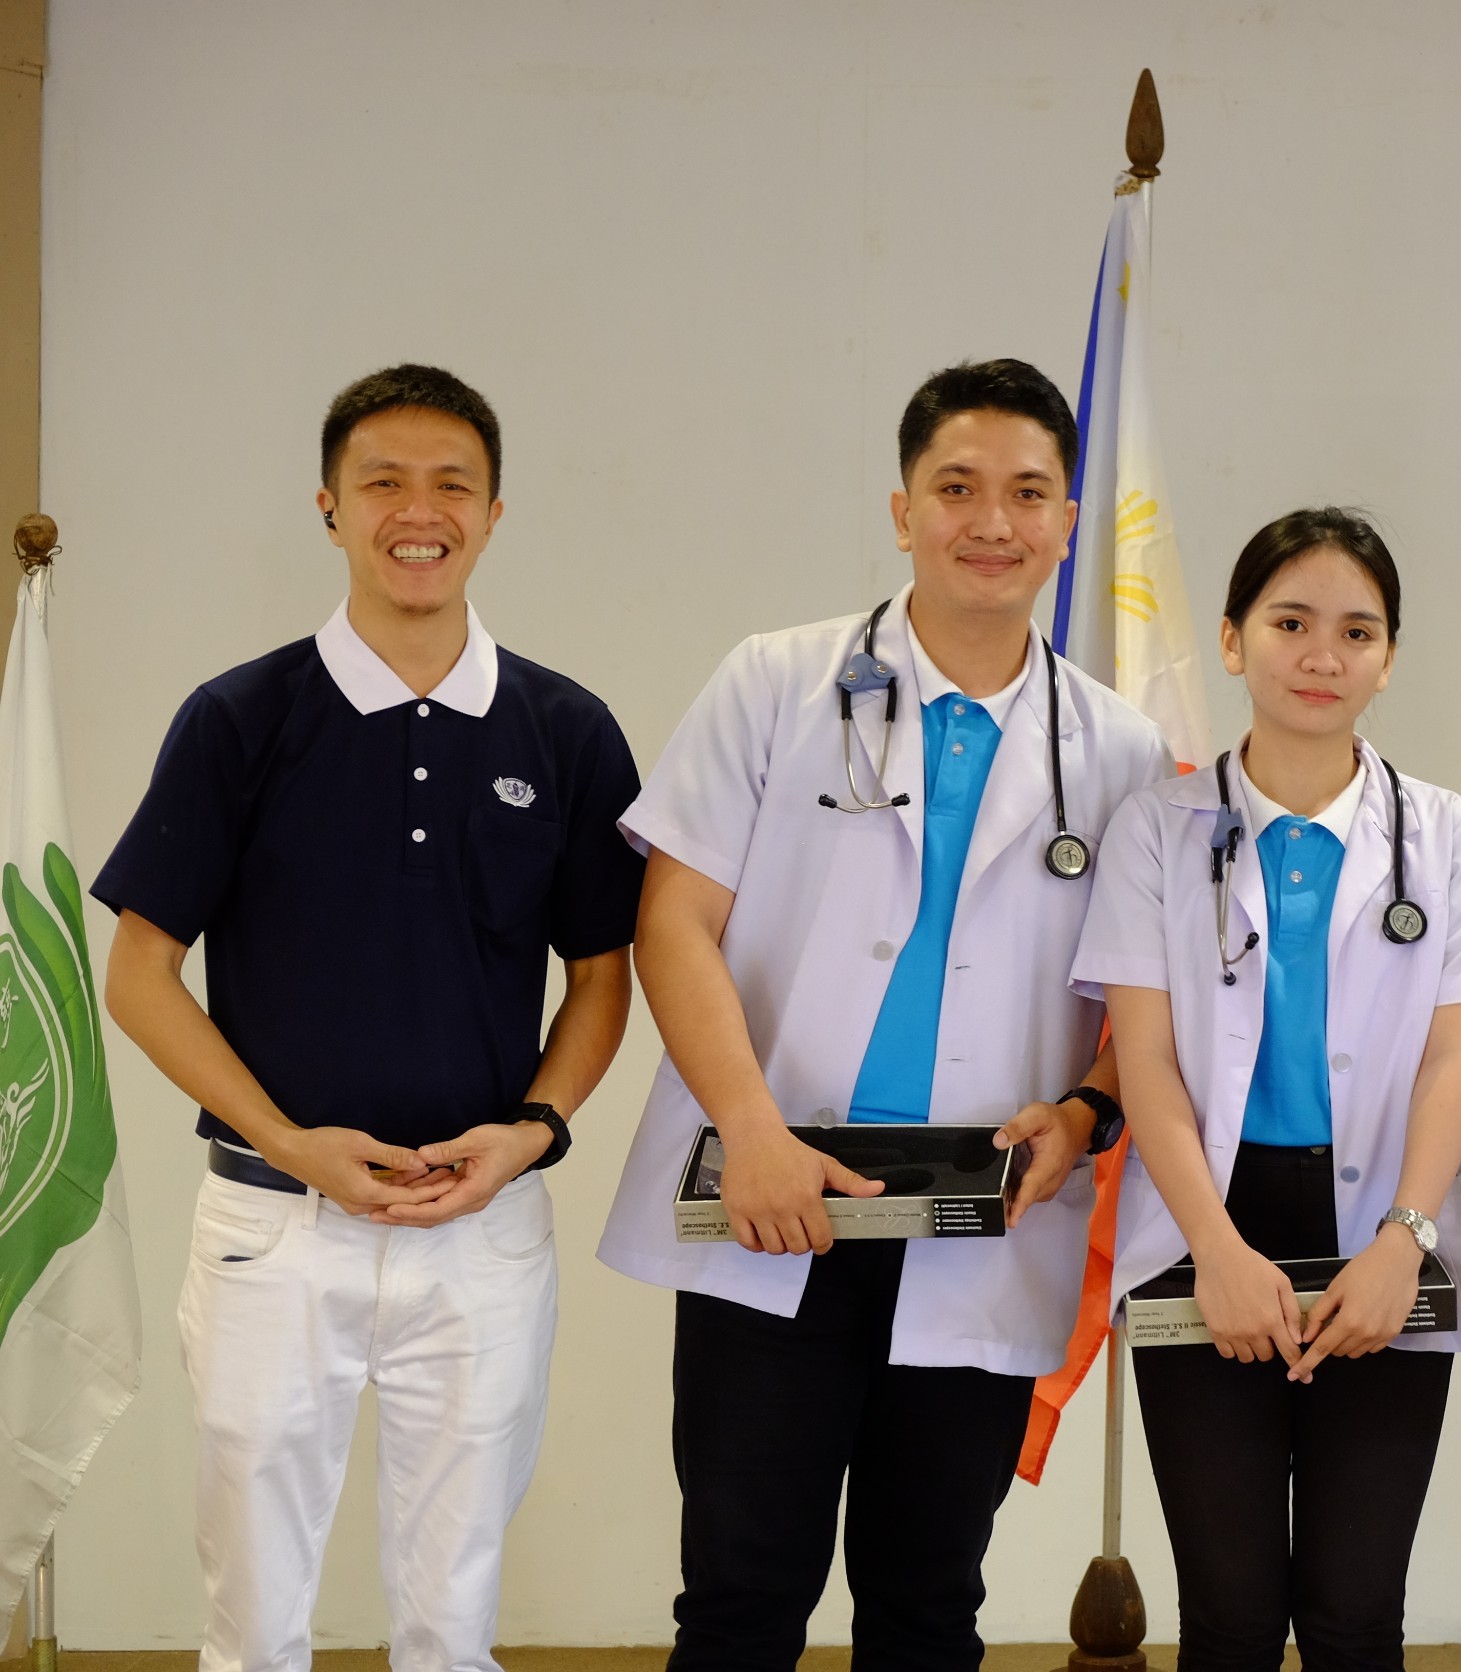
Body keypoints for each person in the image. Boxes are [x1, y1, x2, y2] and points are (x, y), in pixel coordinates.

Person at [597, 358, 1170, 1671]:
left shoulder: (1120, 749)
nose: (992, 520)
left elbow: (1140, 1004)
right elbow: (672, 923)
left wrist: (1085, 1116)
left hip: (978, 1212)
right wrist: (749, 1127)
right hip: (776, 1192)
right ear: (901, 509)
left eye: (1028, 492)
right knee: (741, 1595)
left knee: (927, 1605)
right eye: (956, 486)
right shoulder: (775, 682)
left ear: (1069, 523)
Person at [95, 365, 645, 1672]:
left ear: (495, 513)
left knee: (453, 1624)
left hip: (482, 1232)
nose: (419, 509)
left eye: (451, 483)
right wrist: (291, 1143)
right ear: (330, 507)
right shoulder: (241, 718)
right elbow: (137, 974)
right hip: (273, 1233)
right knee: (254, 1626)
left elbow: (605, 978)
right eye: (382, 481)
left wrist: (531, 1135)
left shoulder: (565, 731)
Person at [1072, 507, 1461, 1672]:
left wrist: (1404, 1240)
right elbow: (1146, 1060)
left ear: (1390, 656)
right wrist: (1212, 1247)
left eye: (1357, 631)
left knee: (1359, 1611)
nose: (1323, 655)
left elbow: (1455, 1055)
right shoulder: (1158, 829)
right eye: (1291, 622)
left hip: (1383, 1239)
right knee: (1230, 1611)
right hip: (1208, 1232)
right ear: (1229, 639)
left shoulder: (1447, 835)